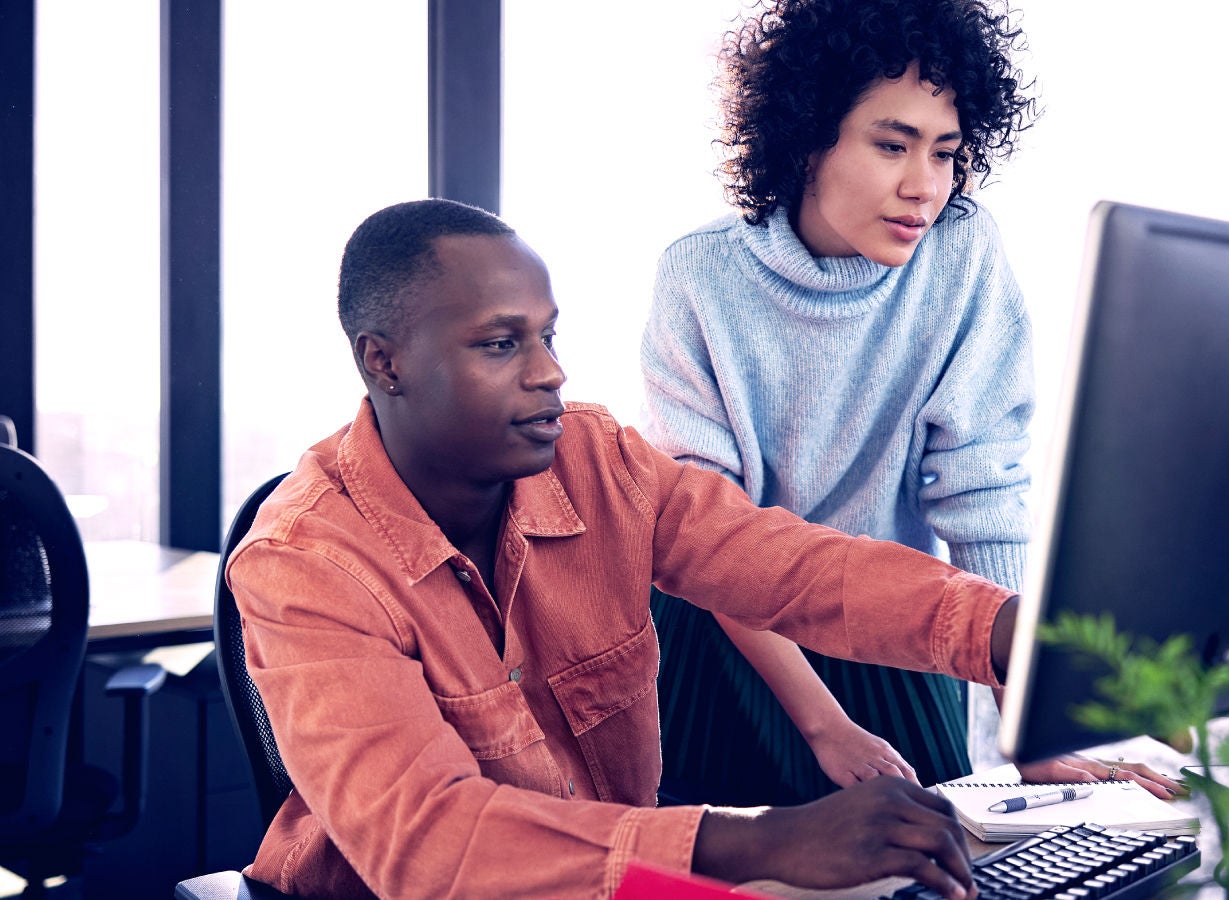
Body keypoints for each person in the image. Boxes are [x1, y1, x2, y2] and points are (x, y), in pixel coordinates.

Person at [227, 197, 1032, 899]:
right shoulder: (303, 563)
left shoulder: (598, 459)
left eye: (548, 335)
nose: (551, 373)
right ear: (385, 362)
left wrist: (1013, 634)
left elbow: (795, 568)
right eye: (501, 345)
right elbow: (429, 842)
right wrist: (763, 840)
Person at [642, 0, 1180, 802]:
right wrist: (824, 725)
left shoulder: (963, 254)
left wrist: (1026, 730)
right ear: (807, 136)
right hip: (728, 637)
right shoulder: (699, 276)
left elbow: (984, 494)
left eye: (946, 152)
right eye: (891, 145)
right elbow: (710, 537)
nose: (922, 187)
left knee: (937, 853)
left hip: (891, 623)